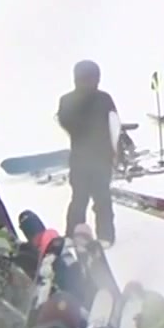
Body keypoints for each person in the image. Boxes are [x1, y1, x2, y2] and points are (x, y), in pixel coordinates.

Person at [58, 60, 121, 244]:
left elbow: (114, 126)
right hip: (92, 158)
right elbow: (114, 126)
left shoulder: (69, 100)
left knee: (90, 199)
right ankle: (98, 236)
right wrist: (115, 152)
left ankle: (88, 235)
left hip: (90, 158)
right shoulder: (102, 99)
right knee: (91, 199)